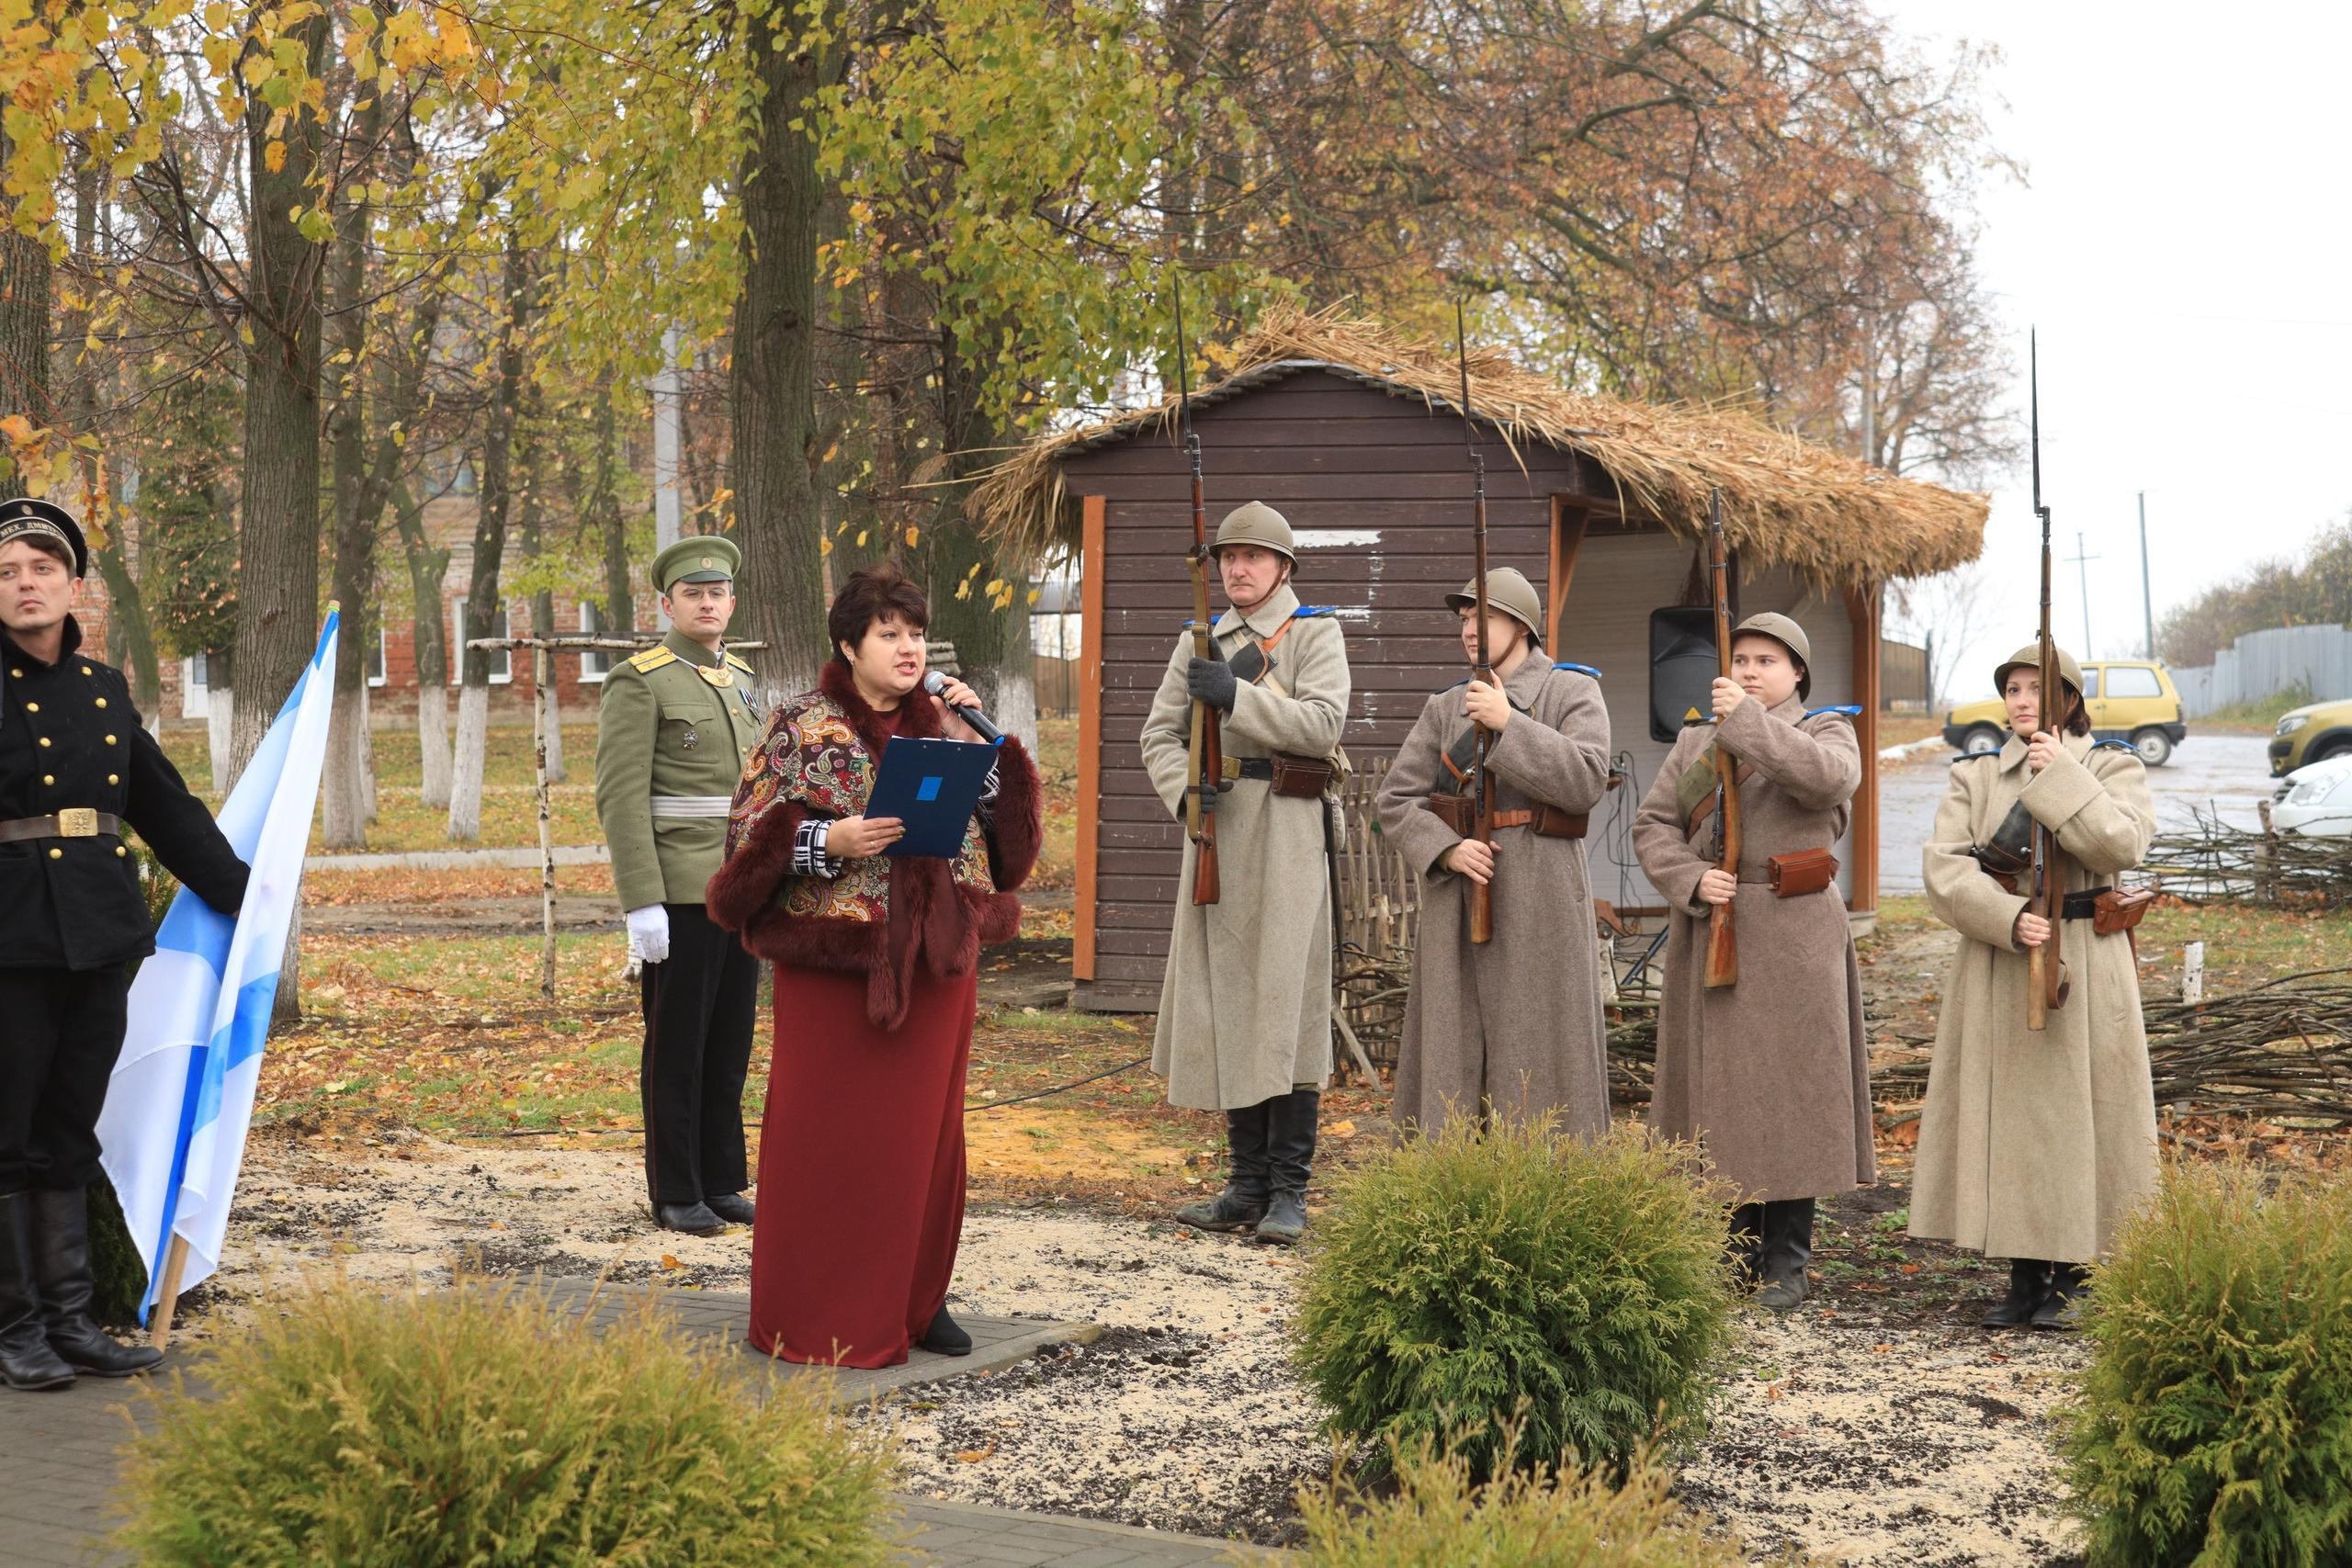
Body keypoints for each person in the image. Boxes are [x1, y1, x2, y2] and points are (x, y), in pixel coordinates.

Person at [707, 563, 1040, 1369]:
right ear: (849, 643)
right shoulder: (800, 726)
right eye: (888, 633)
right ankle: (816, 1309)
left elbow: (1010, 852)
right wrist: (829, 843)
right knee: (830, 1143)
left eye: (916, 633)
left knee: (925, 1143)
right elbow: (740, 856)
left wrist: (989, 745)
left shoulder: (949, 725)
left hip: (936, 969)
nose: (907, 647)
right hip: (836, 970)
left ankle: (917, 1299)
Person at [1, 497, 248, 1392]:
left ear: (73, 586)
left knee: (68, 1133)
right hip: (9, 941)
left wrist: (242, 898)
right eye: (7, 573)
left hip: (100, 935)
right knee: (7, 1138)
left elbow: (164, 807)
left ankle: (70, 1320)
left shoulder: (103, 691)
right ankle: (15, 1326)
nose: (26, 586)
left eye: (42, 569)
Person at [1908, 643, 2157, 1330]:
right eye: (2012, 689)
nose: (2022, 700)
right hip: (2006, 959)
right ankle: (2022, 1273)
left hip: (2086, 961)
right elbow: (1945, 867)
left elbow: (2120, 845)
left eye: (2036, 689)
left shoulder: (2113, 764)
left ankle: (2079, 1274)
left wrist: (2064, 777)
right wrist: (2008, 917)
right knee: (2014, 1121)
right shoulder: (1978, 774)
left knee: (2083, 1118)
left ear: (2070, 701)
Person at [1632, 612, 1871, 1312]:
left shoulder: (1827, 729)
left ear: (1797, 672)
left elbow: (1825, 782)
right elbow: (1653, 825)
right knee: (1726, 1097)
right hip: (1717, 930)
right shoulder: (1695, 741)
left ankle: (1787, 1262)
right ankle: (1733, 1253)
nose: (1748, 670)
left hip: (1797, 936)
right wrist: (1688, 879)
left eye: (1766, 660)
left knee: (1795, 1096)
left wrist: (1745, 725)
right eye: (1739, 658)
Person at [1140, 501, 1350, 1246]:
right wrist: (1188, 797)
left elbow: (1324, 725)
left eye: (1253, 557)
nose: (1237, 568)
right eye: (1228, 557)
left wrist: (1237, 694)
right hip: (1219, 829)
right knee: (1231, 1000)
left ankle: (1290, 1189)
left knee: (1285, 1004)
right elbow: (1158, 735)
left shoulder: (1315, 633)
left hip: (1288, 832)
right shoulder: (1197, 641)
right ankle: (1245, 1184)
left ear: (1283, 568)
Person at [1376, 567, 1613, 1137]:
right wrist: (1447, 849)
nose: (1469, 631)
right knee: (1454, 1049)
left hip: (1543, 894)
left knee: (1544, 1045)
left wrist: (1509, 724)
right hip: (1460, 897)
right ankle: (1450, 1187)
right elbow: (1396, 800)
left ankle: (1550, 1187)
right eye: (1463, 619)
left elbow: (1586, 779)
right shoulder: (1445, 707)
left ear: (1523, 627)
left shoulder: (1572, 690)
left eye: (1483, 618)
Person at [594, 536, 767, 1235]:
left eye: (717, 592)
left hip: (740, 889)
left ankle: (722, 1180)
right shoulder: (642, 679)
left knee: (728, 1046)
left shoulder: (744, 678)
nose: (706, 602)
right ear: (666, 603)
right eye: (693, 593)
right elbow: (621, 795)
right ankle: (675, 1189)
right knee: (677, 1050)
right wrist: (641, 899)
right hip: (678, 894)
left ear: (731, 600)